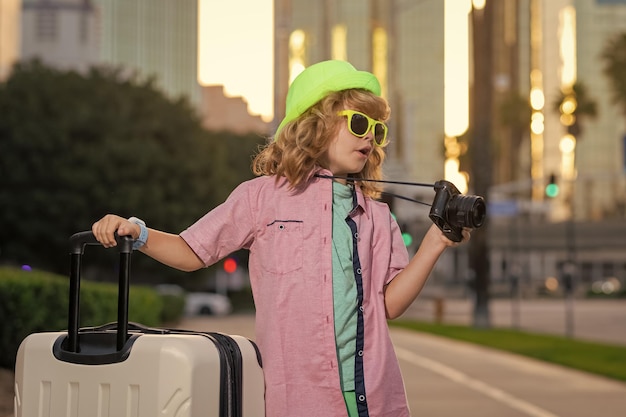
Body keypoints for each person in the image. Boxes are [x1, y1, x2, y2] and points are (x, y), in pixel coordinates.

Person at [92, 60, 471, 417]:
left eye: (378, 129)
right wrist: (138, 233)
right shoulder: (260, 198)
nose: (370, 137)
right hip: (299, 400)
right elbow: (193, 251)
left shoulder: (378, 216)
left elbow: (389, 305)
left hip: (373, 397)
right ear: (315, 124)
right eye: (359, 123)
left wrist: (435, 242)